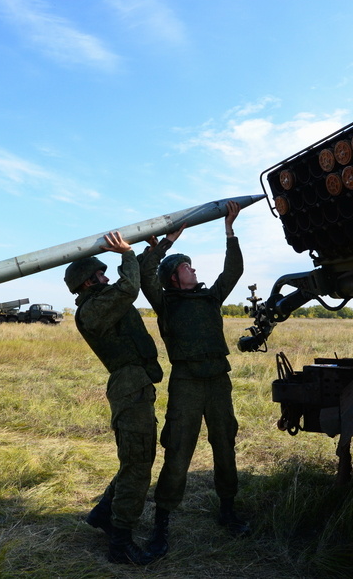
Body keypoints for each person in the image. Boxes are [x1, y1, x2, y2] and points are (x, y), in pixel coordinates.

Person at [141, 200, 251, 558]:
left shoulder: (209, 297)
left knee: (225, 443)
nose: (193, 269)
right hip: (187, 382)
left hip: (218, 380)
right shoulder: (166, 303)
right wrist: (165, 244)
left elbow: (232, 272)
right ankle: (161, 524)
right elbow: (145, 274)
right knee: (178, 450)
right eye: (187, 267)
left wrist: (230, 231)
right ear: (174, 276)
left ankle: (228, 510)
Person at [64, 230, 175, 565]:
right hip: (129, 388)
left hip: (136, 385)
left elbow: (135, 272)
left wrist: (164, 245)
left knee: (136, 459)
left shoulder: (102, 299)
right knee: (138, 465)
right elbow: (130, 285)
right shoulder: (92, 311)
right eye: (99, 273)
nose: (106, 276)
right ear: (86, 283)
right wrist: (126, 253)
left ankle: (103, 514)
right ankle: (121, 542)